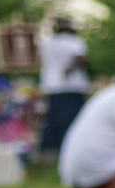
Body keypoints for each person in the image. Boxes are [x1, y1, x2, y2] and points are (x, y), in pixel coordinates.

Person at [37, 17, 90, 155]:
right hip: (72, 85)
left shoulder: (46, 42)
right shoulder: (74, 41)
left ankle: (48, 148)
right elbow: (81, 58)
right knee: (71, 119)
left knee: (53, 118)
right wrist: (71, 67)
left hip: (52, 85)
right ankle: (69, 148)